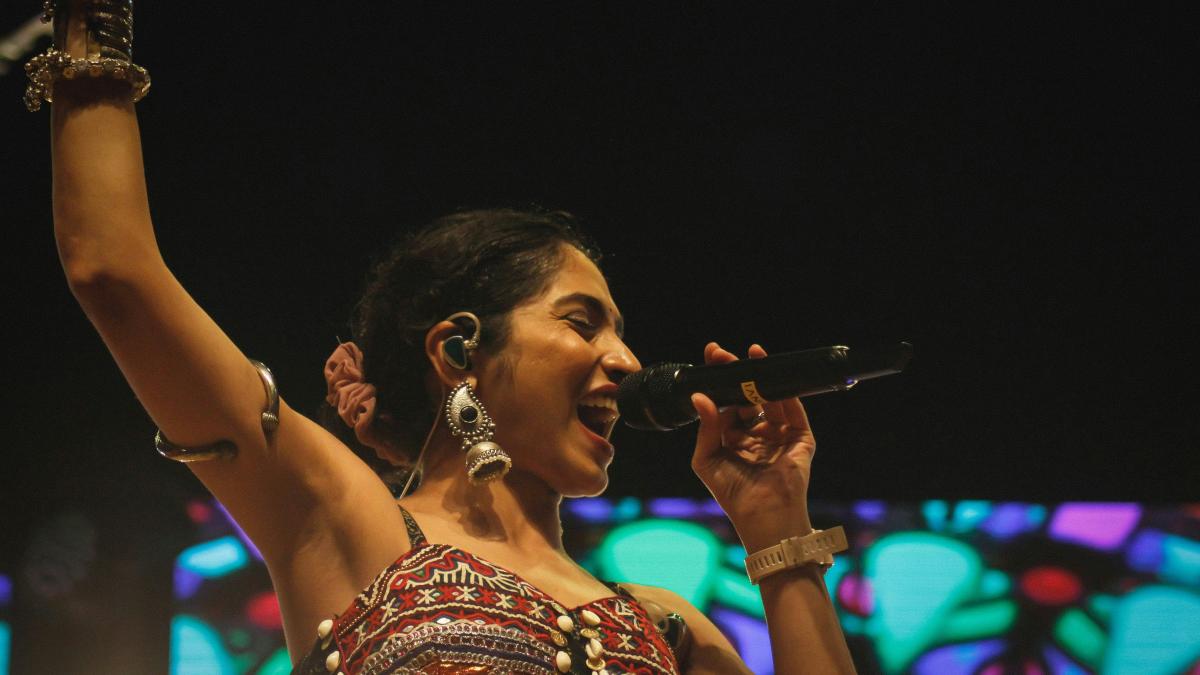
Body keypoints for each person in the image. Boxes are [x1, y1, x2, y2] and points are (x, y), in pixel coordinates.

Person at [34, 1, 856, 672]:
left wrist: (778, 528)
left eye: (623, 332)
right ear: (458, 350)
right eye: (582, 321)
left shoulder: (662, 624)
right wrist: (89, 22)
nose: (628, 360)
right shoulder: (347, 521)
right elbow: (114, 269)